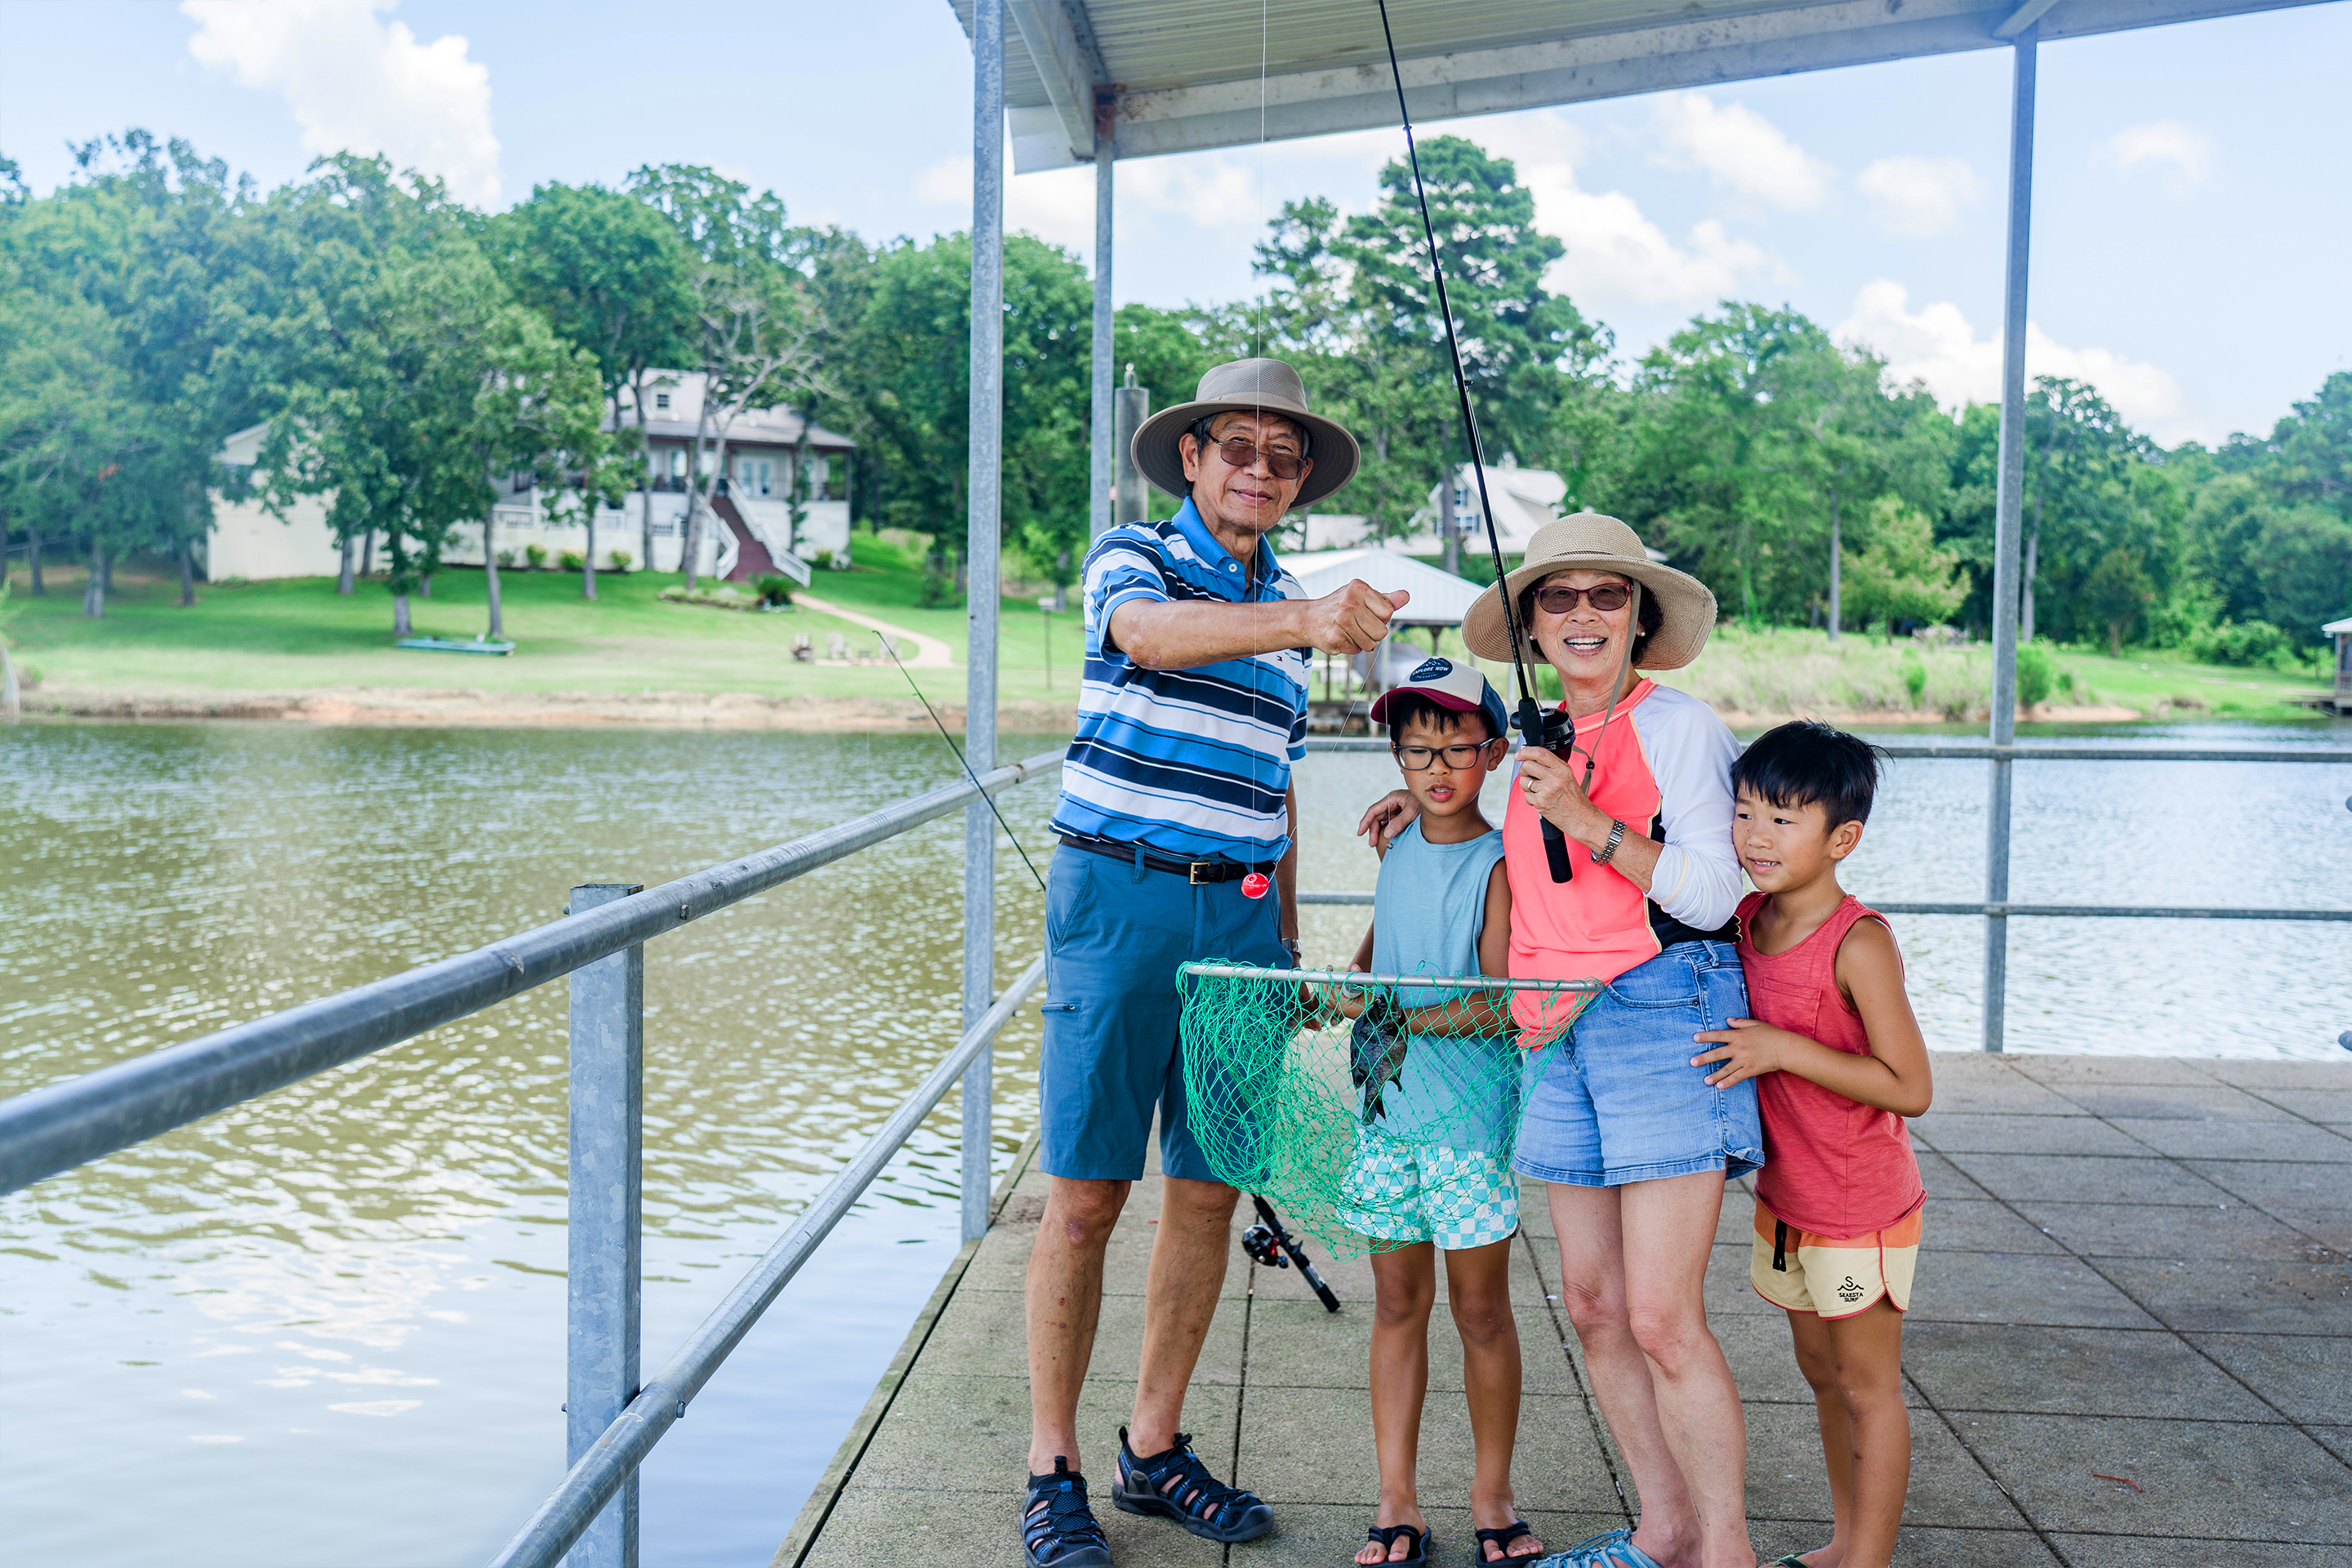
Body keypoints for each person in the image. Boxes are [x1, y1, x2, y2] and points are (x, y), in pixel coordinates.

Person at [1022, 358, 1406, 1568]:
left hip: (1239, 921)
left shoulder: (1292, 609)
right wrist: (1304, 619)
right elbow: (1145, 638)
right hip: (1118, 895)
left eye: (1280, 457)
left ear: (1297, 484)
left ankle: (1152, 1444)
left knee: (1208, 1185)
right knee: (1085, 1196)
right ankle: (1053, 1466)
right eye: (1233, 447)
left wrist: (1286, 945)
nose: (1255, 470)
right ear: (1190, 460)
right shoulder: (1131, 559)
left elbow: (1273, 786)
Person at [1362, 511, 1758, 1568]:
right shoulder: (1535, 739)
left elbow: (1719, 897)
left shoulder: (1676, 727)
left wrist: (1591, 824)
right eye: (1558, 595)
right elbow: (1474, 806)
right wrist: (1409, 808)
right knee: (1592, 1306)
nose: (1582, 613)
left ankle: (1725, 1551)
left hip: (1657, 1007)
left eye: (1606, 594)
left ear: (1639, 618)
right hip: (1555, 1029)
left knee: (1664, 1315)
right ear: (1531, 624)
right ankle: (1663, 1529)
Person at [1693, 721, 1933, 1568]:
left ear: (1843, 839)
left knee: (1868, 1387)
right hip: (1787, 1200)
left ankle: (1868, 1559)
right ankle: (1844, 1541)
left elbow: (1912, 1087)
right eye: (1746, 812)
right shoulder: (1747, 918)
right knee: (1821, 1376)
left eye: (1784, 819)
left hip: (1859, 1202)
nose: (1756, 836)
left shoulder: (1858, 943)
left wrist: (1784, 1048)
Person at [1335, 659, 1547, 1568]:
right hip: (1387, 1112)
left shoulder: (1503, 862)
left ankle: (1492, 1495)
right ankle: (1396, 1498)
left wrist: (1402, 1018)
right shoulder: (1393, 844)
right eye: (1417, 750)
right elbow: (1381, 954)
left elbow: (1504, 1002)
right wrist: (1349, 988)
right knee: (1394, 1304)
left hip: (1466, 1121)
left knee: (1480, 1311)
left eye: (1459, 748)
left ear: (1495, 754)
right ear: (1396, 758)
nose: (1437, 767)